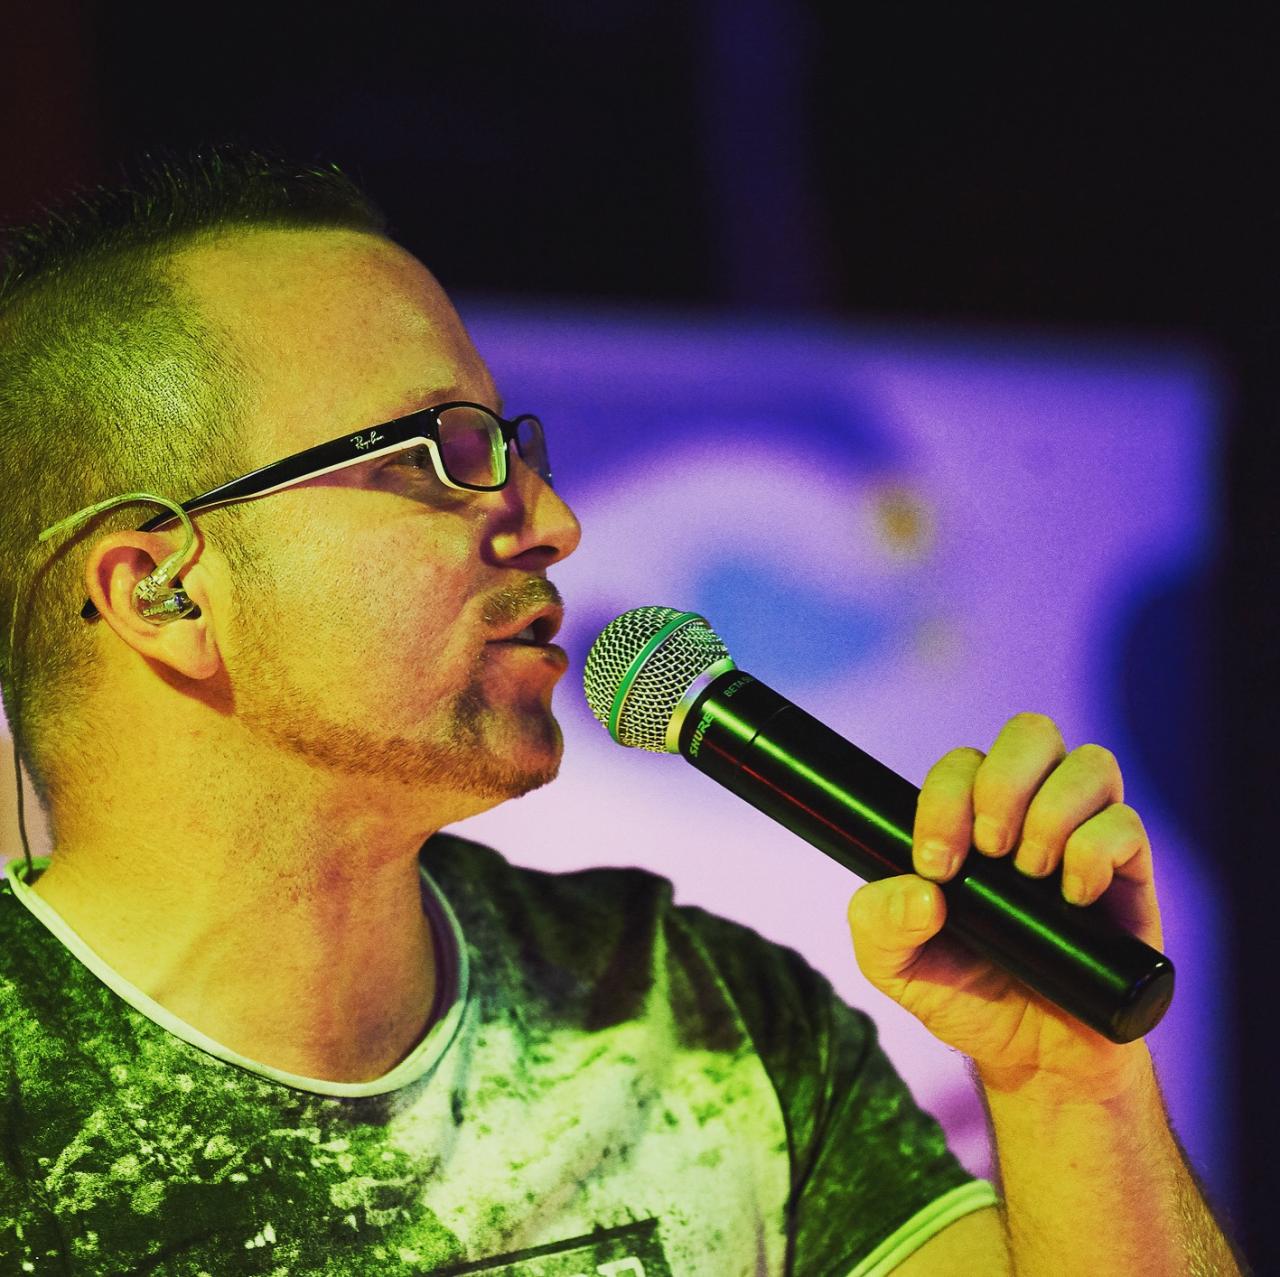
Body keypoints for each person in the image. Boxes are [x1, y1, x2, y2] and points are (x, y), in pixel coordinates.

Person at [0, 147, 1246, 1276]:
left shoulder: (695, 1013)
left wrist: (1064, 1085)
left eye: (514, 448)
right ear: (161, 590)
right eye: (442, 454)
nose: (552, 522)